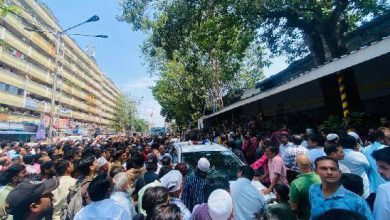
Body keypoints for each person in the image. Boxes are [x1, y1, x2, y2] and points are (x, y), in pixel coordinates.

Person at [309, 156, 373, 220]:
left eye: (333, 169)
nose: (329, 172)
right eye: (324, 168)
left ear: (339, 173)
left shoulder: (356, 201)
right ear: (315, 171)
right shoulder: (313, 190)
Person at [339, 135, 371, 199]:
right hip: (362, 186)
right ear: (354, 144)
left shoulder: (337, 155)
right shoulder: (358, 155)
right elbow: (368, 167)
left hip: (344, 186)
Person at [290, 155, 321, 220]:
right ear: (310, 163)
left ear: (297, 165)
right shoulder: (321, 177)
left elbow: (294, 208)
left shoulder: (295, 184)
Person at [372, 147, 390, 220]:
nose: (379, 171)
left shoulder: (384, 189)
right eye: (378, 167)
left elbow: (380, 217)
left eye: (383, 167)